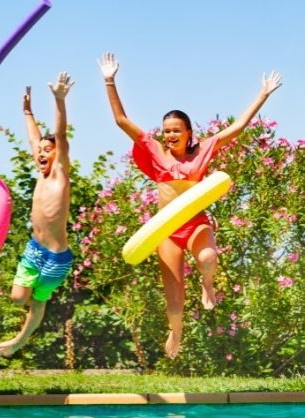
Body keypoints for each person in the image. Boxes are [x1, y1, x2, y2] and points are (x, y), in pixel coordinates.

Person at [98, 52, 282, 358]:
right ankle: (177, 333)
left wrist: (262, 94)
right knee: (174, 297)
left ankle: (207, 284)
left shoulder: (203, 151)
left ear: (188, 133)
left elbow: (236, 128)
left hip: (196, 224)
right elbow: (121, 120)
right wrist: (109, 80)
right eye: (166, 130)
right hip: (167, 230)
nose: (170, 135)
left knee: (208, 258)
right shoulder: (155, 151)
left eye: (176, 130)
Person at [0, 72, 75, 357]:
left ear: (59, 155)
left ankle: (19, 341)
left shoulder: (60, 175)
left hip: (57, 258)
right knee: (18, 298)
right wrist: (28, 112)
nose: (40, 153)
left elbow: (61, 135)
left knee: (38, 303)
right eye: (39, 150)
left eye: (47, 150)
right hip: (34, 250)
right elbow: (33, 139)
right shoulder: (41, 173)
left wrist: (59, 100)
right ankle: (20, 337)